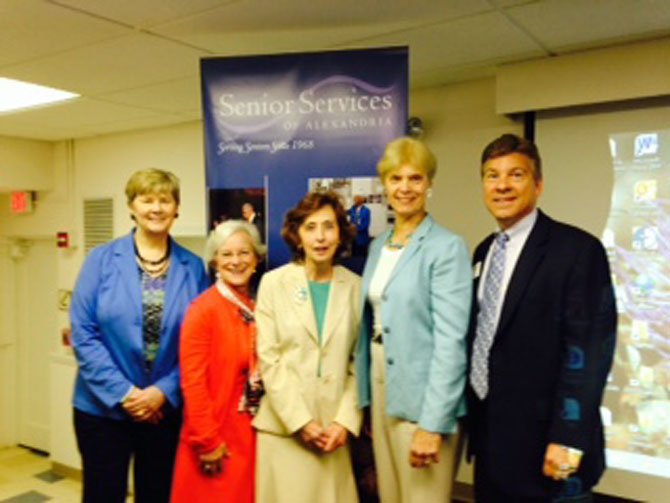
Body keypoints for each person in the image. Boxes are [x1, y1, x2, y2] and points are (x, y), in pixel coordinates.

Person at [466, 133, 617, 502]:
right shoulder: (484, 251)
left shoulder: (578, 251)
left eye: (515, 175)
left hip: (550, 453)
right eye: (491, 175)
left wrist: (567, 438)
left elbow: (588, 354)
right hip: (493, 449)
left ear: (538, 184)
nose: (502, 185)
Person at [70, 168, 209, 503]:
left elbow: (199, 343)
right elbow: (84, 334)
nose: (156, 208)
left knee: (158, 494)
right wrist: (126, 393)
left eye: (165, 200)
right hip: (102, 410)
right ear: (131, 207)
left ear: (177, 209)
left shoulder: (194, 267)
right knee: (103, 495)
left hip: (164, 411)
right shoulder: (100, 260)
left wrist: (163, 392)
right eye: (147, 199)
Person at [355, 137, 472, 503]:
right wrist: (367, 400)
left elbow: (451, 341)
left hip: (425, 396)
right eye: (396, 179)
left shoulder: (446, 247)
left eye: (415, 178)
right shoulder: (379, 245)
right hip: (381, 386)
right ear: (385, 185)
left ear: (430, 184)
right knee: (389, 496)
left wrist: (433, 423)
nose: (405, 188)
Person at [253, 191, 362, 503]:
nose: (320, 237)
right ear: (297, 236)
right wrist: (301, 421)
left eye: (329, 226)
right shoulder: (273, 283)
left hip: (333, 435)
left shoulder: (354, 286)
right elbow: (269, 360)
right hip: (285, 431)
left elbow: (359, 363)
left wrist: (345, 420)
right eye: (310, 227)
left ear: (340, 233)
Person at [171, 220, 266, 503]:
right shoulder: (203, 310)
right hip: (215, 438)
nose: (236, 261)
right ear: (214, 262)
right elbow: (193, 383)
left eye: (244, 253)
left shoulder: (256, 308)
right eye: (227, 254)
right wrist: (208, 441)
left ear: (256, 259)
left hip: (249, 434)